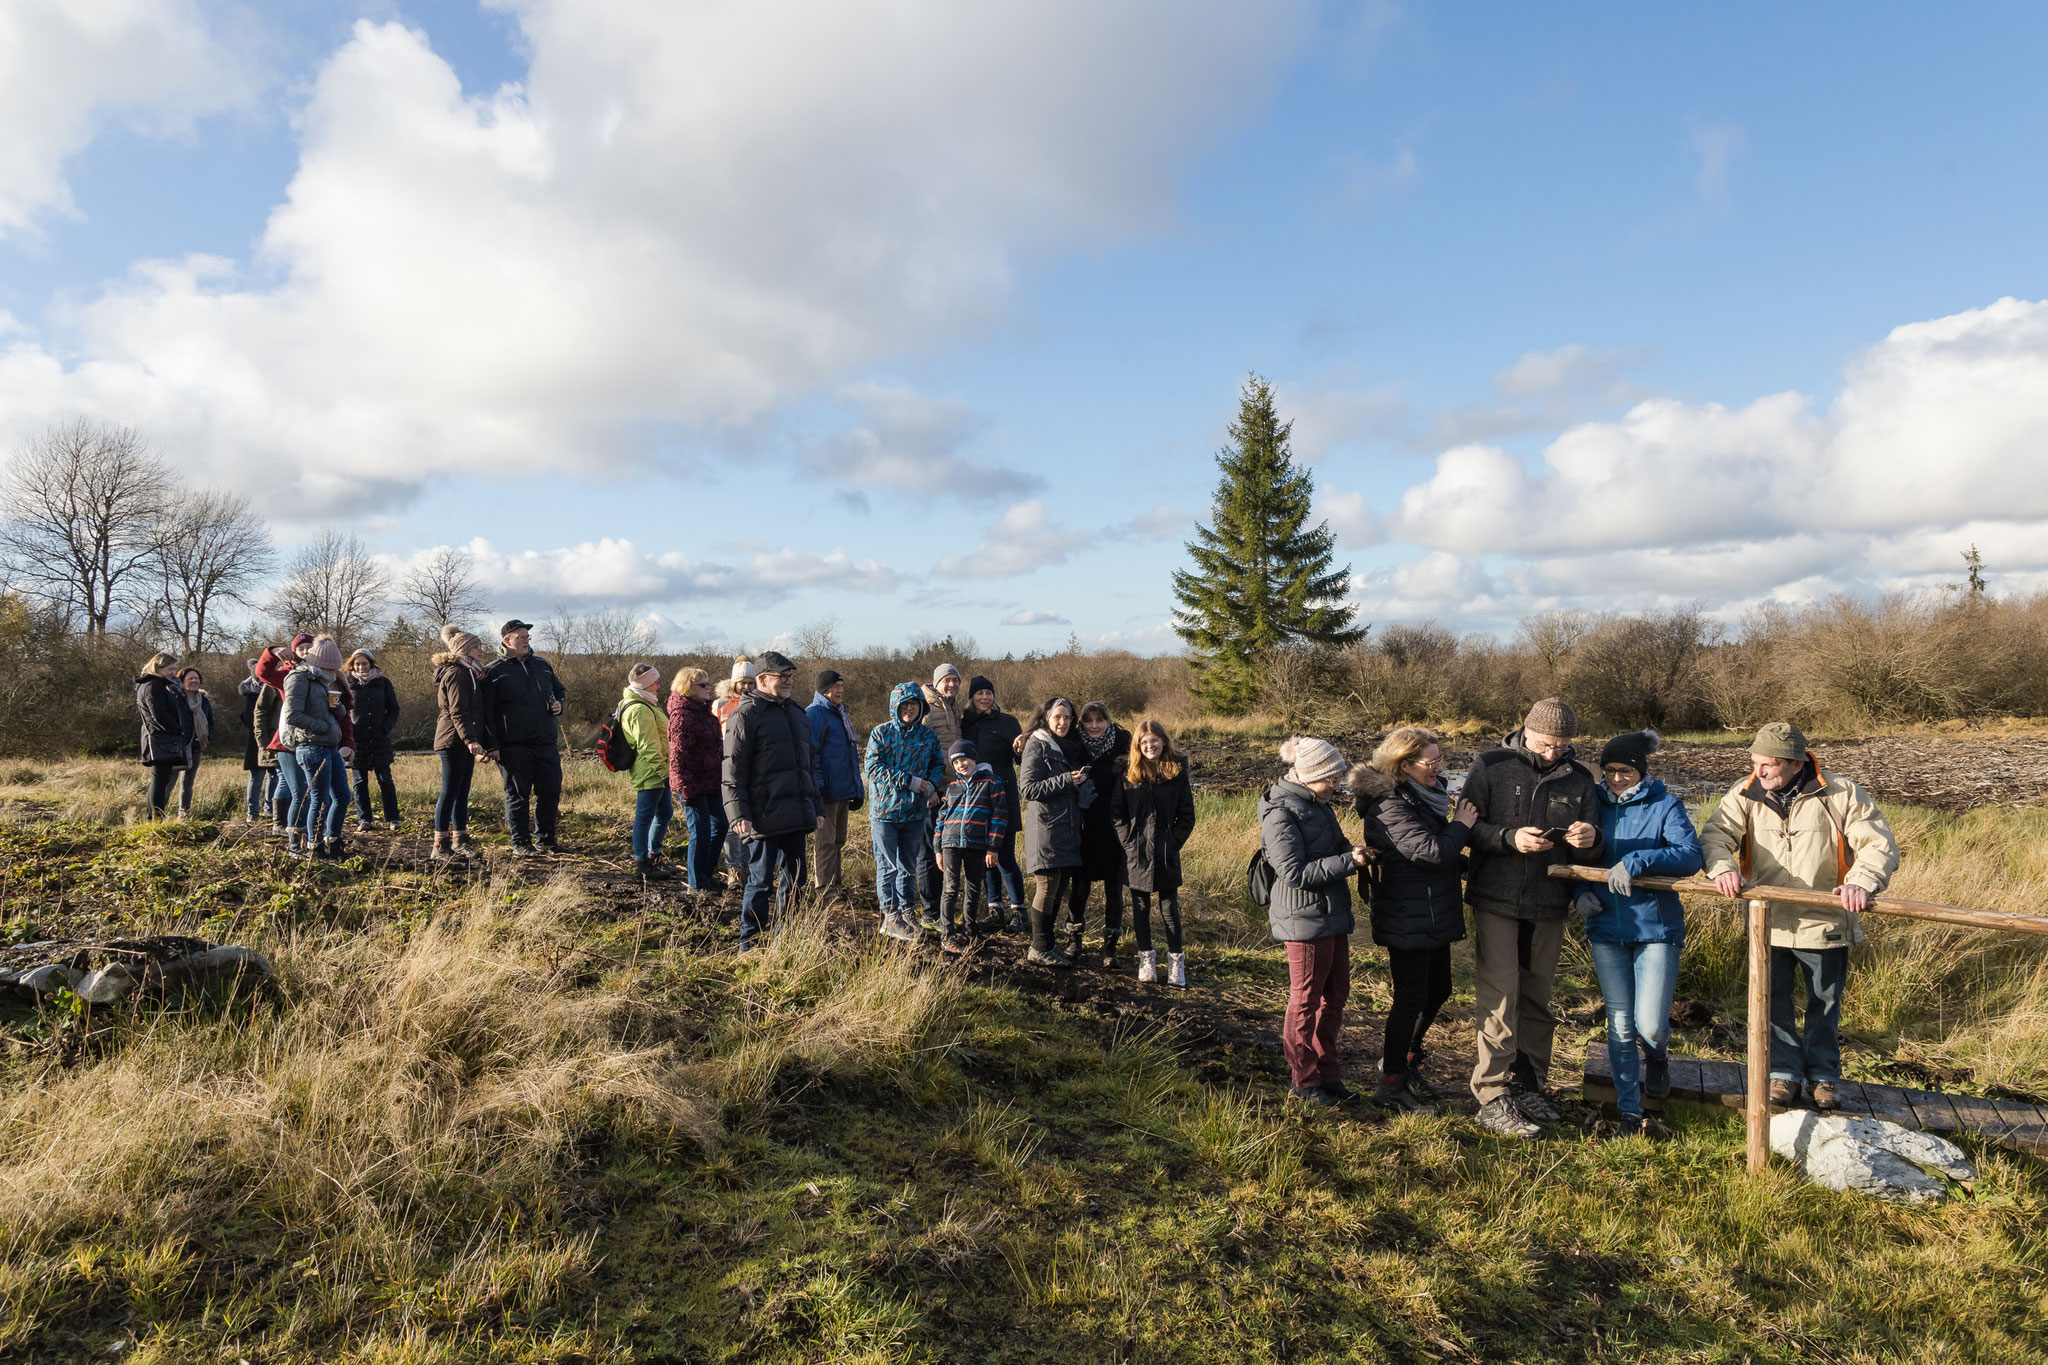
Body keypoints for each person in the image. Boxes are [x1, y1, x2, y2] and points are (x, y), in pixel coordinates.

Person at [1702, 722, 1899, 1112]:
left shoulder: (1841, 793)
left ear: (1794, 763)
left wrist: (1861, 882)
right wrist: (1722, 867)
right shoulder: (1745, 793)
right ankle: (1783, 1074)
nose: (1759, 772)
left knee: (1824, 1004)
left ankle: (1824, 1077)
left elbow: (1878, 843)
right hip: (1767, 920)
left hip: (1824, 923)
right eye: (1755, 763)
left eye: (1768, 766)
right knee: (1771, 1002)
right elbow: (1715, 835)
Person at [1459, 697, 1605, 1139]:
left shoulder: (1582, 778)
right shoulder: (1491, 765)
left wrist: (1590, 836)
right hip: (1496, 898)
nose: (1552, 753)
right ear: (1525, 731)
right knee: (1501, 995)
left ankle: (1529, 1085)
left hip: (1549, 902)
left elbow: (1596, 848)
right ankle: (1491, 1094)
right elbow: (1466, 826)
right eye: (1545, 744)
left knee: (1538, 997)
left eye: (1561, 746)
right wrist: (1508, 838)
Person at [1581, 729, 1703, 1136]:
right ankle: (1630, 1109)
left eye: (1626, 771)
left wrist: (1640, 860)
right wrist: (1582, 891)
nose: (1616, 779)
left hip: (1656, 928)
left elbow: (1690, 856)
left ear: (1642, 770)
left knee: (1649, 1024)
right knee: (1618, 1023)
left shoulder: (1665, 804)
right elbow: (1574, 853)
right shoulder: (1591, 804)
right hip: (1605, 928)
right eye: (1610, 771)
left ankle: (1658, 1057)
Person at [1353, 727, 1471, 1115]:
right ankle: (1390, 1084)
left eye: (1440, 760)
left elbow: (1440, 850)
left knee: (1439, 990)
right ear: (1405, 766)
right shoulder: (1389, 805)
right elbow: (1432, 851)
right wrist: (1463, 824)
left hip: (1430, 912)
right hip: (1407, 915)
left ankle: (1404, 1060)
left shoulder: (1423, 798)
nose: (1439, 769)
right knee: (1410, 1000)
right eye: (1431, 762)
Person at [1259, 736, 1370, 1106]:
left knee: (1336, 995)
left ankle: (1329, 1074)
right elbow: (1292, 872)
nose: (1337, 784)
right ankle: (1304, 1080)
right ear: (1310, 775)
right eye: (1333, 778)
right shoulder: (1281, 812)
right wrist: (1348, 863)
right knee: (1305, 999)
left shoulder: (1318, 804)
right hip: (1303, 918)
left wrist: (1354, 852)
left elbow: (1337, 844)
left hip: (1331, 913)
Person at [722, 650, 822, 950]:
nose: (789, 682)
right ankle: (749, 944)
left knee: (795, 883)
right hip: (762, 816)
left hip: (795, 815)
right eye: (783, 677)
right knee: (761, 882)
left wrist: (815, 807)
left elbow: (807, 766)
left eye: (791, 677)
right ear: (762, 680)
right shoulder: (745, 715)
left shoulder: (797, 713)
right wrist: (738, 814)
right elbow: (732, 768)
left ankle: (785, 942)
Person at [1112, 719, 1196, 987]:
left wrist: (1173, 843)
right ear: (1138, 745)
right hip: (1136, 853)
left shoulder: (1176, 773)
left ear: (1163, 741)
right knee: (1140, 908)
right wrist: (1128, 842)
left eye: (1154, 740)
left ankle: (1176, 963)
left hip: (1165, 852)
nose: (1150, 745)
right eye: (1144, 741)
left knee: (1170, 909)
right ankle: (1146, 960)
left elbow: (1187, 816)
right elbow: (1117, 813)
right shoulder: (1128, 774)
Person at [864, 681, 946, 942]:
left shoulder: (928, 736)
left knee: (907, 866)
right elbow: (873, 768)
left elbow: (938, 764)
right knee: (887, 867)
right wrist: (909, 781)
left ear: (922, 707)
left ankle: (906, 912)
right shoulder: (881, 733)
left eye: (915, 704)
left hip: (914, 812)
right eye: (905, 704)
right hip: (885, 812)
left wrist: (931, 785)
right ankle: (890, 916)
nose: (910, 709)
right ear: (895, 707)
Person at [482, 618, 566, 855]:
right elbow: (486, 713)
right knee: (518, 795)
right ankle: (520, 843)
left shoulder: (543, 665)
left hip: (546, 742)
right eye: (521, 637)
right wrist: (492, 744)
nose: (526, 642)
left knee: (550, 792)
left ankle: (546, 841)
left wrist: (559, 704)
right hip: (512, 746)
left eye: (528, 638)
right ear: (506, 641)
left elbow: (559, 691)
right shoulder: (493, 671)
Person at [1018, 697, 1090, 968]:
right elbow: (1028, 789)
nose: (1063, 722)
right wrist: (1066, 779)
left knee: (1058, 888)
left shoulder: (1066, 747)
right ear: (1046, 717)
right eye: (1057, 717)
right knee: (1047, 887)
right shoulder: (1037, 743)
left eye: (1068, 718)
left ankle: (1047, 945)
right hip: (1046, 827)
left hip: (1065, 826)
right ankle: (1038, 948)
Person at [1066, 701, 1131, 967]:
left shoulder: (1124, 744)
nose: (1094, 725)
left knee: (1113, 889)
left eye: (1099, 720)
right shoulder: (1073, 744)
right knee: (1080, 886)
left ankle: (1110, 949)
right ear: (1081, 723)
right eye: (1089, 721)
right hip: (1083, 824)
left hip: (1115, 826)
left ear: (1108, 722)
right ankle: (1074, 941)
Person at [959, 675, 1025, 929]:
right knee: (983, 857)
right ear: (972, 697)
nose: (985, 697)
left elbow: (1020, 758)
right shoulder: (965, 723)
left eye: (989, 693)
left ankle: (1019, 912)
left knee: (1005, 856)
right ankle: (995, 909)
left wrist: (1020, 747)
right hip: (974, 798)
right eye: (980, 693)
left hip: (1003, 796)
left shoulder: (1007, 722)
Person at [281, 635, 354, 859]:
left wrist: (337, 707)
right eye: (328, 668)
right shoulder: (298, 678)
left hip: (329, 746)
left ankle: (333, 841)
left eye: (334, 668)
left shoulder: (323, 680)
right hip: (311, 747)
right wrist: (322, 726)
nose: (333, 673)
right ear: (317, 662)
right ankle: (315, 846)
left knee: (342, 796)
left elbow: (334, 712)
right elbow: (293, 715)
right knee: (319, 799)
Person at [935, 739, 1007, 953]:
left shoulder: (992, 783)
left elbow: (1000, 816)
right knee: (949, 888)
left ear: (973, 758)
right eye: (956, 762)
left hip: (977, 844)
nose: (961, 765)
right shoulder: (951, 787)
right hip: (950, 843)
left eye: (964, 759)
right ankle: (947, 934)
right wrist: (937, 848)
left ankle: (970, 929)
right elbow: (941, 818)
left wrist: (993, 847)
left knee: (974, 887)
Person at [431, 627, 494, 863]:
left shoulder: (470, 673)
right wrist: (470, 740)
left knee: (461, 792)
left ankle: (460, 841)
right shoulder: (457, 673)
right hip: (452, 741)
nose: (482, 651)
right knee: (449, 791)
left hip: (462, 741)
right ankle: (440, 844)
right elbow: (458, 712)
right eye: (477, 647)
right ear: (465, 649)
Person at [807, 669, 865, 901]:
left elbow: (850, 755)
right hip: (826, 791)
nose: (841, 690)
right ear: (824, 689)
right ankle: (824, 888)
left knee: (839, 839)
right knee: (826, 841)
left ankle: (835, 884)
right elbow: (812, 755)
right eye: (836, 686)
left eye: (842, 686)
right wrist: (818, 787)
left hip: (842, 790)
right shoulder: (815, 714)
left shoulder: (839, 713)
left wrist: (857, 788)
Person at [667, 666, 726, 891]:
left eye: (708, 683)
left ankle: (706, 876)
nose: (708, 688)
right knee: (699, 831)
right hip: (692, 784)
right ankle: (696, 883)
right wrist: (685, 787)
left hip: (711, 781)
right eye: (702, 685)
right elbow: (678, 756)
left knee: (720, 826)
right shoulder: (682, 715)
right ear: (687, 688)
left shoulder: (703, 711)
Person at [917, 663, 967, 924]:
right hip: (933, 793)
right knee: (928, 851)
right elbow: (919, 752)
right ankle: (929, 912)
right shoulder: (926, 709)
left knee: (947, 849)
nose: (951, 685)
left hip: (953, 792)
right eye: (946, 680)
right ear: (936, 682)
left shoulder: (954, 707)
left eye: (955, 680)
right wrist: (928, 788)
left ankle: (942, 907)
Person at [254, 634, 314, 845]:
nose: (306, 651)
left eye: (310, 647)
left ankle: (310, 830)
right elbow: (263, 673)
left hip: (316, 737)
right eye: (302, 648)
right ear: (294, 652)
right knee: (291, 785)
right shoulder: (287, 673)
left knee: (308, 788)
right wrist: (271, 652)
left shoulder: (325, 673)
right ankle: (284, 827)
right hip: (289, 739)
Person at [620, 662, 674, 880]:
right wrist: (663, 771)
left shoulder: (646, 703)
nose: (658, 686)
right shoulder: (639, 709)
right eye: (654, 682)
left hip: (658, 768)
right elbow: (648, 746)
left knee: (664, 812)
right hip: (651, 770)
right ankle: (642, 861)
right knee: (645, 816)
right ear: (645, 684)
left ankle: (653, 855)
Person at [345, 649, 402, 832]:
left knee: (386, 780)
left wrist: (385, 727)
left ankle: (393, 818)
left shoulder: (383, 683)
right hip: (356, 740)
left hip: (379, 739)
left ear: (371, 664)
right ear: (352, 665)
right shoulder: (347, 684)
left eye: (364, 663)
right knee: (359, 782)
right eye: (357, 664)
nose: (361, 667)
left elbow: (393, 709)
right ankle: (364, 819)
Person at [135, 652, 192, 820]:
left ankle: (153, 818)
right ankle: (156, 817)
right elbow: (158, 714)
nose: (173, 672)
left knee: (159, 779)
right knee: (160, 780)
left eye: (174, 668)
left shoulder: (152, 684)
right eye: (170, 669)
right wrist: (176, 730)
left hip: (159, 737)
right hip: (160, 739)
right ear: (158, 667)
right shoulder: (153, 686)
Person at [237, 659, 275, 824]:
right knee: (257, 776)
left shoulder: (273, 690)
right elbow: (247, 718)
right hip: (255, 741)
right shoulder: (250, 695)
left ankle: (269, 808)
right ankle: (252, 812)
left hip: (273, 738)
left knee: (274, 775)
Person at [174, 666, 214, 818]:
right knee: (169, 782)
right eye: (190, 678)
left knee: (187, 783)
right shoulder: (177, 699)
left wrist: (207, 736)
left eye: (196, 678)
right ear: (182, 681)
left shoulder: (203, 700)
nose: (194, 681)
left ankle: (184, 814)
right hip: (179, 746)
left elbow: (210, 721)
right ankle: (159, 814)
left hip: (197, 746)